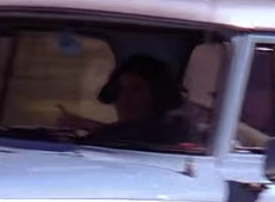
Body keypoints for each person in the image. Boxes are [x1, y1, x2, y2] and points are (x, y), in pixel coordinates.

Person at [57, 54, 190, 144]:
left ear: (158, 94)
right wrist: (85, 124)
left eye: (137, 89)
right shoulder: (166, 129)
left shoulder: (111, 140)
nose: (125, 98)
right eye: (121, 89)